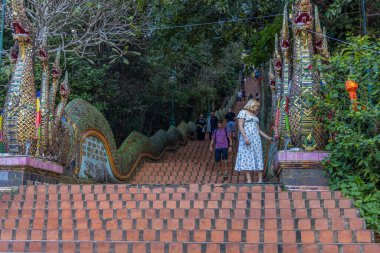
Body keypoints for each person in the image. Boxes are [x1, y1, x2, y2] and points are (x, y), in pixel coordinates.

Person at [234, 99, 274, 183]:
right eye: (257, 106)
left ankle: (260, 179)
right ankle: (249, 180)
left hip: (256, 139)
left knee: (258, 156)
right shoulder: (243, 112)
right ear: (252, 105)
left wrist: (268, 137)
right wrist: (245, 137)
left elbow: (258, 130)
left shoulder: (255, 116)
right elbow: (240, 126)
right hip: (246, 139)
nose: (258, 108)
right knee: (246, 157)